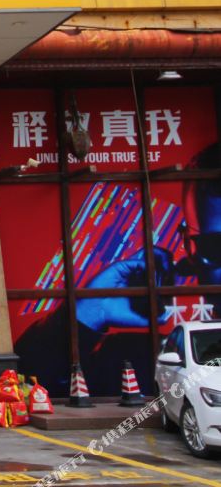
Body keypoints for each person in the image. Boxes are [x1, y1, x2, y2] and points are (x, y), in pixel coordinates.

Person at [14, 144, 221, 396]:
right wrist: (91, 310)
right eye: (216, 246)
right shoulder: (139, 360)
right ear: (188, 246)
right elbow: (23, 389)